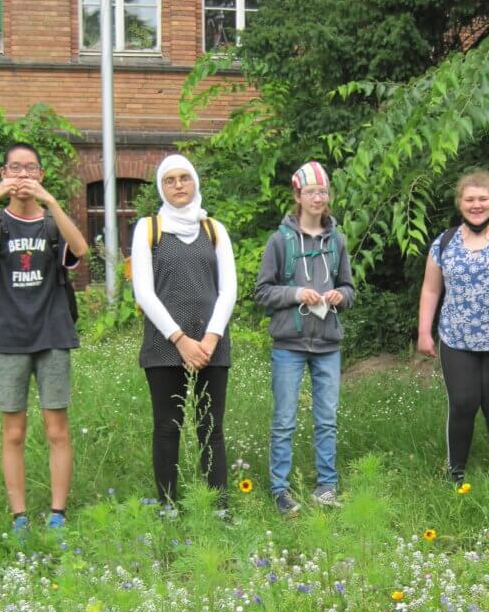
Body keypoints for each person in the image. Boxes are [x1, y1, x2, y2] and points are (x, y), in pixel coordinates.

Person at [0, 142, 88, 531]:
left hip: (53, 335)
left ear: (41, 174)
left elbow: (80, 249)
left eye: (30, 168)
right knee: (13, 432)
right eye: (14, 168)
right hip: (8, 338)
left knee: (57, 430)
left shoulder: (51, 223)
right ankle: (20, 517)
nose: (22, 175)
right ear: (3, 172)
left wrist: (52, 201)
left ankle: (58, 515)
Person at [417, 169, 489, 482]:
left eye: (482, 198)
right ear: (460, 203)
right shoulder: (444, 243)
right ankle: (455, 474)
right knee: (462, 403)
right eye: (469, 199)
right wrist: (423, 332)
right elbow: (431, 289)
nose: (476, 205)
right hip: (456, 340)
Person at [131, 154, 236, 508]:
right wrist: (180, 340)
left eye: (184, 178)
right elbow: (143, 292)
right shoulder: (149, 229)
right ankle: (169, 506)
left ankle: (218, 506)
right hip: (165, 345)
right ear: (161, 187)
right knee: (166, 427)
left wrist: (209, 339)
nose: (178, 186)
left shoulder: (213, 230)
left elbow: (229, 290)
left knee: (212, 428)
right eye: (170, 180)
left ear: (195, 182)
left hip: (211, 344)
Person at [254, 161, 355, 516]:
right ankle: (280, 490)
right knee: (284, 419)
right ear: (298, 195)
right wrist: (297, 294)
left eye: (323, 191)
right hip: (289, 345)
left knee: (327, 418)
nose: (318, 198)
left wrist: (342, 296)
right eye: (311, 191)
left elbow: (349, 287)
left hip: (328, 343)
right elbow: (263, 292)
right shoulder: (279, 241)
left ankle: (326, 486)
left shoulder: (337, 240)